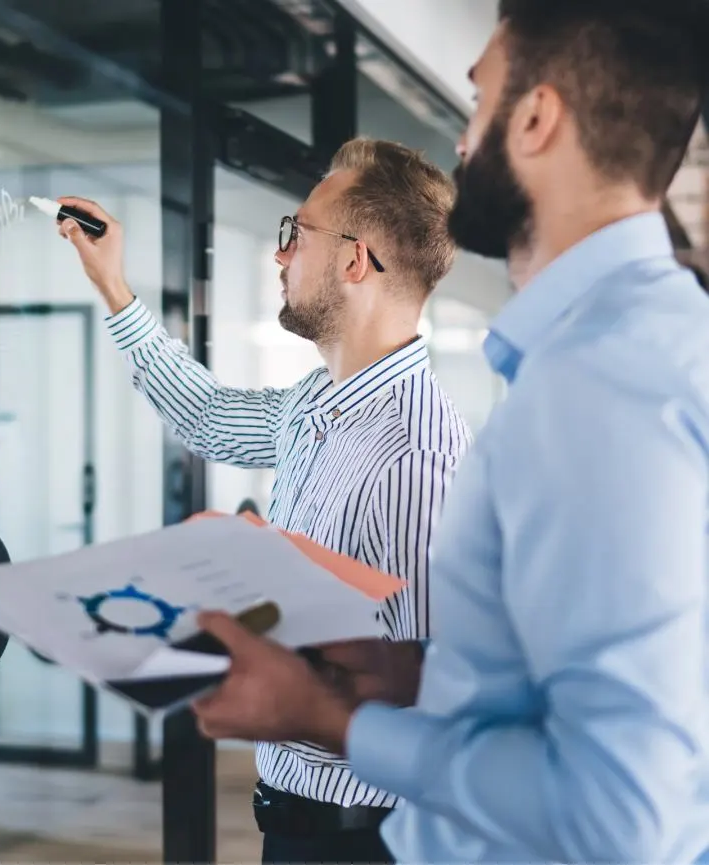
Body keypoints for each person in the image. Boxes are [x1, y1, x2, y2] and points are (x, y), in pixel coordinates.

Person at [187, 1, 709, 862]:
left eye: (479, 100)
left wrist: (335, 717)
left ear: (536, 119)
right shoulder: (635, 347)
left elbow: (617, 817)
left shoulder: (600, 383)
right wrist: (416, 678)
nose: (464, 141)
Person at [58, 138, 472, 864]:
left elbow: (423, 692)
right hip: (294, 823)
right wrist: (114, 287)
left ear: (356, 260)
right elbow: (208, 415)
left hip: (364, 839)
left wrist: (266, 680)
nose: (280, 255)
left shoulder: (416, 451)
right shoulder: (318, 400)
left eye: (296, 234)